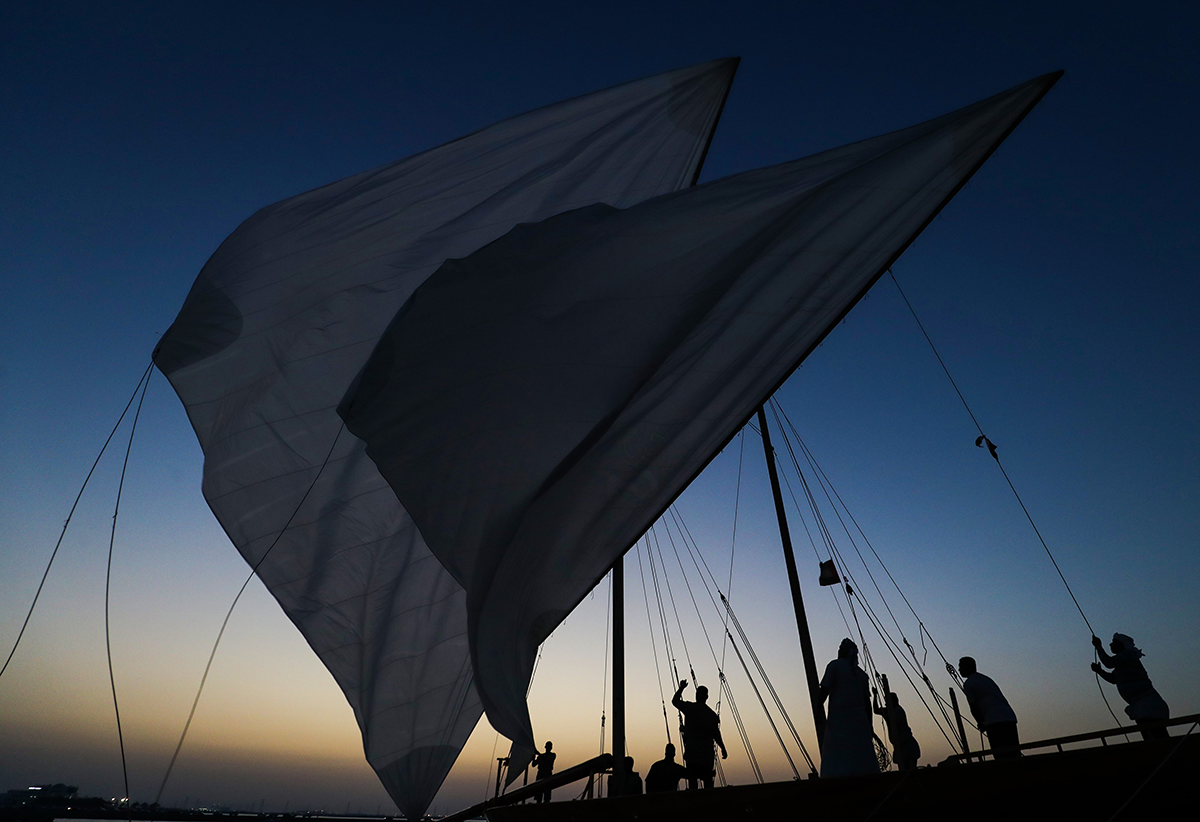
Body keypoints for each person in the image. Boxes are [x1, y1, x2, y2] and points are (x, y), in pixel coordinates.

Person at [1091, 633, 1170, 740]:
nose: (1110, 645)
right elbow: (1113, 679)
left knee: (1157, 738)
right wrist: (1099, 671)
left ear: (1121, 645)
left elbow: (1109, 663)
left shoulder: (1128, 655)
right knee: (1152, 737)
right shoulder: (1123, 662)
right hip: (1141, 707)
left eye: (1114, 643)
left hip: (1148, 705)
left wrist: (1099, 647)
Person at [818, 638, 878, 777]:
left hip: (839, 724)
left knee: (835, 758)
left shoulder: (834, 666)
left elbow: (824, 691)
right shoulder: (862, 675)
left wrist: (816, 710)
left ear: (842, 652)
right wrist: (870, 727)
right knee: (862, 758)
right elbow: (867, 705)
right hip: (860, 724)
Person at [958, 656, 1019, 759]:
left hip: (994, 721)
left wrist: (981, 723)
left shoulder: (969, 684)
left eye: (960, 667)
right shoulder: (986, 679)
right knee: (1014, 753)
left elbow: (973, 706)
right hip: (1009, 718)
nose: (959, 670)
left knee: (1001, 755)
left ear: (967, 667)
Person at [672, 679, 728, 789]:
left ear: (696, 695)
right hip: (706, 754)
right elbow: (716, 734)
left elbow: (675, 701)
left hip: (692, 752)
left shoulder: (689, 708)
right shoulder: (711, 715)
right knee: (707, 780)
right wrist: (723, 748)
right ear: (706, 697)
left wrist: (681, 688)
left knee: (692, 780)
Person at [872, 688, 921, 770]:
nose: (885, 703)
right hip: (899, 746)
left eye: (887, 701)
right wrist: (875, 695)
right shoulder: (888, 711)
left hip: (907, 745)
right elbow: (876, 710)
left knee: (910, 770)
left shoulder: (898, 711)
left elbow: (894, 721)